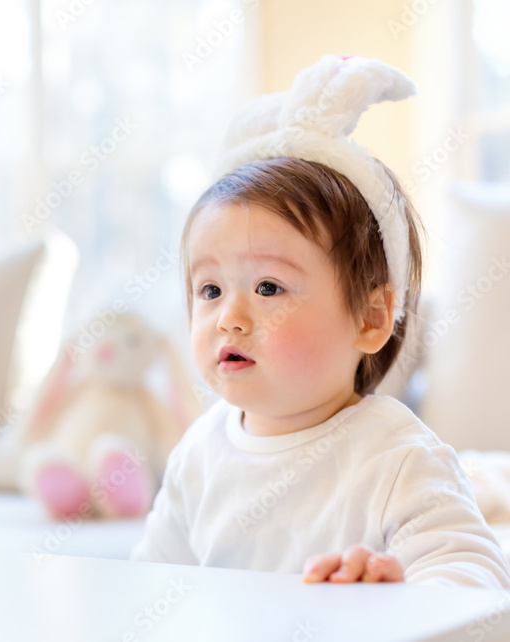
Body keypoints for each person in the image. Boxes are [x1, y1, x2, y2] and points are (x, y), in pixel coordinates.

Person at [130, 55, 510, 588]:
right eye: (210, 290)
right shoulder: (199, 451)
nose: (229, 319)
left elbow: (477, 582)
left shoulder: (397, 457)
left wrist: (393, 589)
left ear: (372, 318)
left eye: (268, 288)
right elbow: (150, 581)